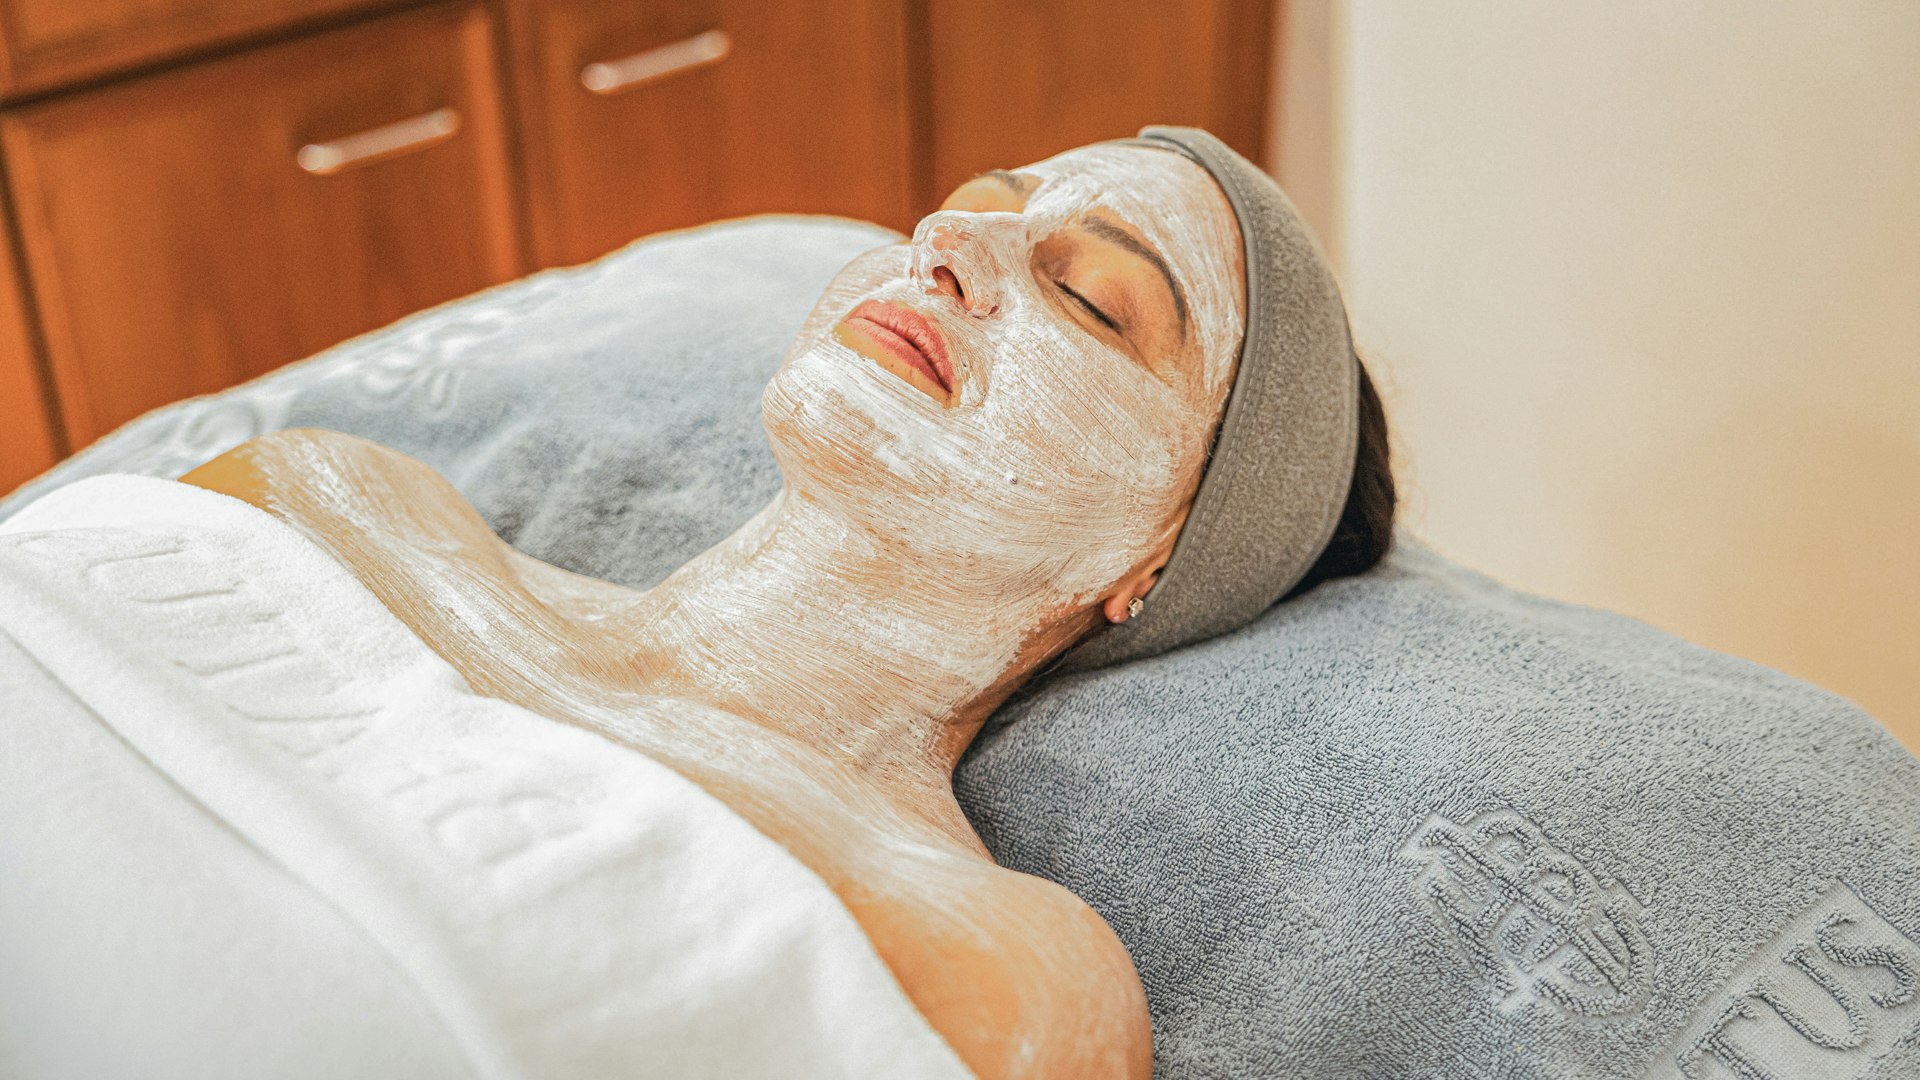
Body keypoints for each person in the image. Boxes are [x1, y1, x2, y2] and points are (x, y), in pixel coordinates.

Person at [163, 128, 1391, 1078]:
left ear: (1159, 563)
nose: (947, 247)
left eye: (1091, 298)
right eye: (975, 210)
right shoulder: (325, 498)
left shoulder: (986, 970)